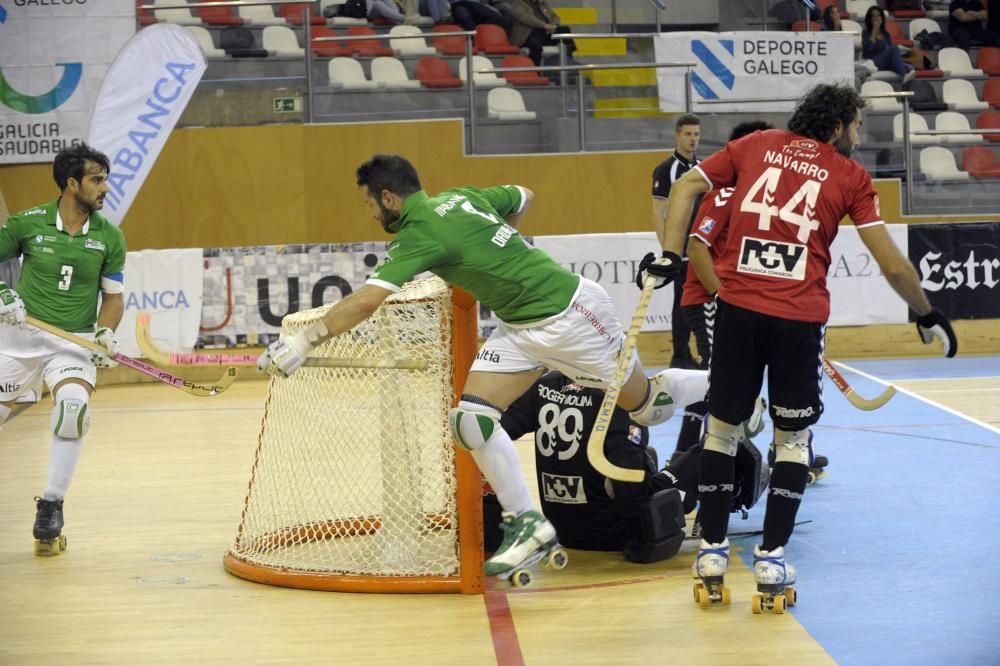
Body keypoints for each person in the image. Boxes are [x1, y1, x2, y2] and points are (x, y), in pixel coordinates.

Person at [256, 154, 710, 580]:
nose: (371, 213)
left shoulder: (421, 233)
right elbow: (524, 193)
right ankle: (528, 522)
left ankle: (728, 390)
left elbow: (365, 303)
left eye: (370, 204)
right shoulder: (462, 197)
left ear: (389, 198)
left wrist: (301, 341)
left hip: (572, 318)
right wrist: (498, 252)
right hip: (519, 328)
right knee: (471, 421)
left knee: (646, 406)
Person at [650, 83, 958, 606]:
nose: (859, 136)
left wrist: (668, 256)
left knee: (721, 432)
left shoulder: (755, 145)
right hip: (799, 320)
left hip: (738, 310)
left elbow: (683, 190)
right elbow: (890, 263)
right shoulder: (851, 177)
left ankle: (712, 550)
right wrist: (926, 312)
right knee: (792, 440)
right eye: (856, 126)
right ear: (838, 126)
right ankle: (771, 561)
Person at [482, 370, 769, 563]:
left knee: (647, 457)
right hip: (613, 534)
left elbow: (494, 434)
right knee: (703, 452)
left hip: (564, 529)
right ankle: (729, 494)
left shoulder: (547, 383)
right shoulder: (619, 396)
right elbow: (629, 488)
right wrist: (644, 534)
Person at [683, 119, 829, 484]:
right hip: (713, 301)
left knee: (766, 391)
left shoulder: (766, 193)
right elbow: (697, 248)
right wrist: (724, 297)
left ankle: (785, 452)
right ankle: (700, 473)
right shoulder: (726, 192)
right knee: (720, 394)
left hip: (749, 307)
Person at [0, 142, 126, 556]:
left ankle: (50, 506)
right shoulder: (28, 223)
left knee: (72, 411)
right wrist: (4, 294)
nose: (105, 187)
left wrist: (105, 334)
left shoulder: (110, 237)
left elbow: (112, 298)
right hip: (18, 342)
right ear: (72, 184)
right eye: (97, 179)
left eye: (104, 178)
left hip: (72, 346)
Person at [649, 114, 703, 372]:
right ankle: (680, 355)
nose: (692, 139)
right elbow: (658, 211)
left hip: (701, 249)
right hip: (680, 252)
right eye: (688, 134)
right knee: (681, 303)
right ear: (677, 136)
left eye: (696, 134)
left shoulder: (704, 168)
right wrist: (668, 249)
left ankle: (705, 351)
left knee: (702, 301)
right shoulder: (666, 169)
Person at [862, 6, 916, 84]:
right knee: (895, 48)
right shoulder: (866, 32)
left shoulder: (886, 34)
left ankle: (906, 87)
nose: (876, 18)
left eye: (878, 15)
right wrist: (874, 31)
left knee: (909, 67)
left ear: (882, 18)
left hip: (886, 63)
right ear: (870, 19)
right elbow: (868, 50)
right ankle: (904, 75)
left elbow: (890, 52)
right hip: (872, 62)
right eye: (873, 16)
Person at [510, 0, 573, 66]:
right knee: (535, 45)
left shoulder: (542, 3)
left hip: (544, 33)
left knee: (564, 30)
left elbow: (554, 16)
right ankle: (535, 71)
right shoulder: (518, 3)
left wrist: (554, 25)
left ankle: (569, 61)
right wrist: (544, 25)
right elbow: (526, 18)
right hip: (527, 35)